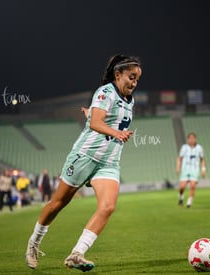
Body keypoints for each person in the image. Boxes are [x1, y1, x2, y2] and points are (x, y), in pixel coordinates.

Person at [25, 54, 142, 271]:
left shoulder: (130, 100)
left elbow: (103, 118)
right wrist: (114, 132)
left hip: (108, 162)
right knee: (57, 204)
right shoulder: (105, 92)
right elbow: (98, 123)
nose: (134, 83)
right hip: (85, 156)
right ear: (117, 75)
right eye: (131, 77)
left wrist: (92, 116)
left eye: (137, 79)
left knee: (107, 207)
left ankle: (77, 253)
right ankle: (34, 243)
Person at [176, 132, 206, 208]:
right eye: (190, 138)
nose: (192, 140)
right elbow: (180, 158)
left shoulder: (199, 148)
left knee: (192, 185)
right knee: (182, 186)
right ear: (188, 139)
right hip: (185, 169)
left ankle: (189, 202)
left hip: (195, 169)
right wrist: (178, 167)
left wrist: (203, 169)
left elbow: (202, 159)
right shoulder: (184, 147)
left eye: (193, 138)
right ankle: (181, 197)